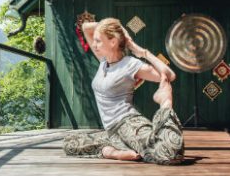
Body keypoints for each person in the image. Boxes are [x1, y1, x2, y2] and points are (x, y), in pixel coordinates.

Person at [62, 18, 185, 165]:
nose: (94, 45)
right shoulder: (103, 61)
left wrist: (141, 51)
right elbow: (86, 26)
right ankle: (111, 152)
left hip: (128, 124)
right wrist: (116, 27)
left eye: (98, 41)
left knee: (169, 153)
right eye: (94, 40)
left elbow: (169, 75)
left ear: (113, 42)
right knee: (70, 143)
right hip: (111, 132)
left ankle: (165, 102)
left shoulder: (130, 64)